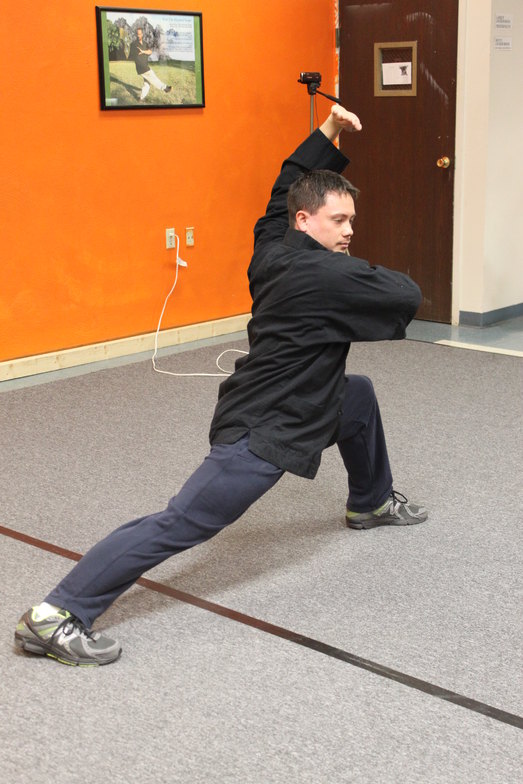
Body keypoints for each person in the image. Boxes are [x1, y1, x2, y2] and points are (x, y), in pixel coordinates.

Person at [14, 104, 427, 667]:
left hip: (271, 396)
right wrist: (357, 273)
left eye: (353, 220)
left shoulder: (272, 249)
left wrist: (327, 130)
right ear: (305, 221)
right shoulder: (323, 273)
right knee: (182, 521)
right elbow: (405, 294)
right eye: (340, 221)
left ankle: (371, 502)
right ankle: (56, 614)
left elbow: (281, 188)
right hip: (267, 427)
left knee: (356, 394)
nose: (350, 231)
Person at [128, 27, 172, 102]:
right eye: (137, 34)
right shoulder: (133, 44)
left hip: (145, 65)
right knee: (153, 77)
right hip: (141, 67)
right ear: (136, 34)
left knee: (147, 83)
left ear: (142, 34)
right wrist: (139, 54)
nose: (139, 35)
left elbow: (150, 52)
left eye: (140, 34)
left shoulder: (145, 43)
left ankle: (141, 98)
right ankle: (165, 88)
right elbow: (132, 56)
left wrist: (144, 51)